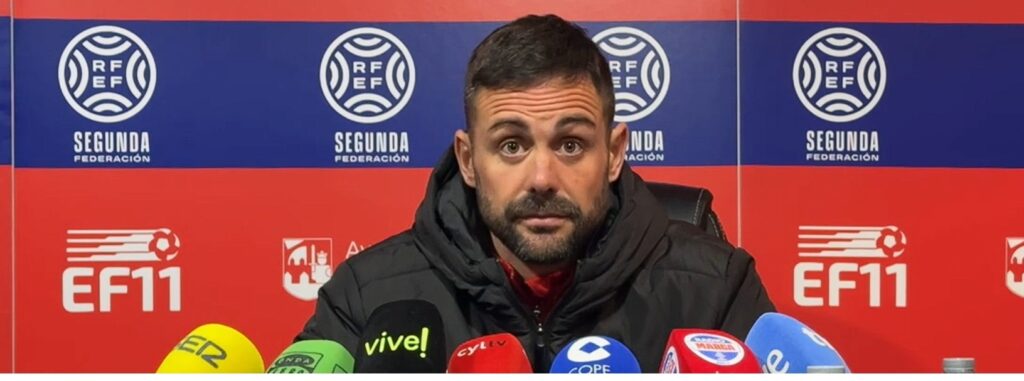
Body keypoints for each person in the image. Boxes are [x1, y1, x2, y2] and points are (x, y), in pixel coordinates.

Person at [296, 14, 775, 372]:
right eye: (511, 145)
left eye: (570, 144)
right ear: (467, 160)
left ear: (613, 153)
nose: (542, 177)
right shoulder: (367, 297)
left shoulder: (715, 290)